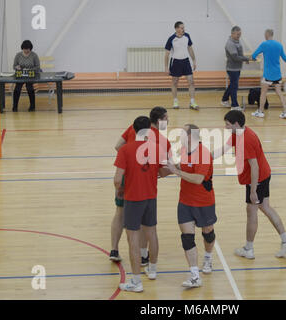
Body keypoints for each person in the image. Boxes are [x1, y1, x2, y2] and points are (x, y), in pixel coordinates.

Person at [213, 110, 286, 259]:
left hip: (257, 178)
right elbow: (223, 150)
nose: (225, 127)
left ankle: (249, 249)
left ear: (236, 124)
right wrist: (202, 156)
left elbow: (255, 167)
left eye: (227, 124)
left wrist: (253, 191)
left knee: (252, 211)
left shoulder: (247, 139)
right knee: (264, 207)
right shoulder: (237, 133)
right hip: (263, 175)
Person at [111, 107, 170, 266]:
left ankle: (114, 250)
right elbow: (166, 168)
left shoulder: (134, 127)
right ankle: (144, 257)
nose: (168, 122)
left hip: (125, 176)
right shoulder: (163, 141)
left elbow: (118, 146)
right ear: (159, 121)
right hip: (146, 183)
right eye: (166, 119)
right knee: (146, 225)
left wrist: (127, 159)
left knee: (119, 213)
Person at [165, 124, 216, 288]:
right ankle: (194, 275)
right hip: (185, 202)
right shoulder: (185, 150)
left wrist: (176, 172)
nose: (179, 135)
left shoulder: (203, 153)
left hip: (204, 201)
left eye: (182, 132)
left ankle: (208, 257)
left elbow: (198, 179)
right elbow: (182, 166)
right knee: (187, 238)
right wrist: (162, 172)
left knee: (208, 233)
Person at [251, 29, 286, 119]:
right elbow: (284, 57)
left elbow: (254, 55)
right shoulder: (279, 45)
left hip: (268, 75)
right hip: (277, 74)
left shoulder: (264, 44)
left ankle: (260, 112)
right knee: (279, 93)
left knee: (263, 93)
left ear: (266, 34)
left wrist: (254, 58)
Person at [165, 21, 199, 110]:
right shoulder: (171, 39)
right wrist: (166, 67)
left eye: (184, 27)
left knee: (191, 82)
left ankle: (192, 102)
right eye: (181, 28)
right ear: (176, 28)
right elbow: (167, 54)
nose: (183, 29)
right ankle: (175, 101)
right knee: (175, 83)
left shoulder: (187, 36)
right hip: (175, 62)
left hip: (186, 62)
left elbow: (190, 49)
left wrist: (194, 60)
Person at [221, 26, 250, 110]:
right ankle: (234, 105)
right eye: (237, 34)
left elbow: (240, 54)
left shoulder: (237, 41)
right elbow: (235, 57)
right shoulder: (230, 43)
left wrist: (245, 59)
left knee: (232, 85)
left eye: (240, 34)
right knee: (234, 87)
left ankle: (224, 99)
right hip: (232, 69)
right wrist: (246, 59)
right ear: (232, 33)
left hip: (237, 68)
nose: (239, 36)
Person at [12, 40, 40, 112]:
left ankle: (32, 106)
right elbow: (14, 66)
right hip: (20, 75)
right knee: (17, 89)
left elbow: (37, 67)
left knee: (30, 88)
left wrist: (30, 69)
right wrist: (17, 67)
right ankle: (15, 107)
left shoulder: (34, 55)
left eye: (27, 49)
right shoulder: (18, 55)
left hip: (30, 75)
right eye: (24, 49)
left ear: (30, 49)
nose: (26, 51)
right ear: (22, 48)